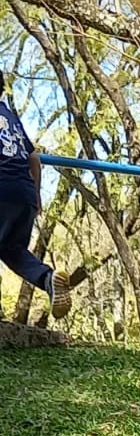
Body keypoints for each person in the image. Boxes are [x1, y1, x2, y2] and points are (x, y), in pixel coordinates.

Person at [0, 71, 71, 321]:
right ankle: (47, 278)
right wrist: (37, 195)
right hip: (25, 193)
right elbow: (34, 158)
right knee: (12, 249)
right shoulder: (10, 118)